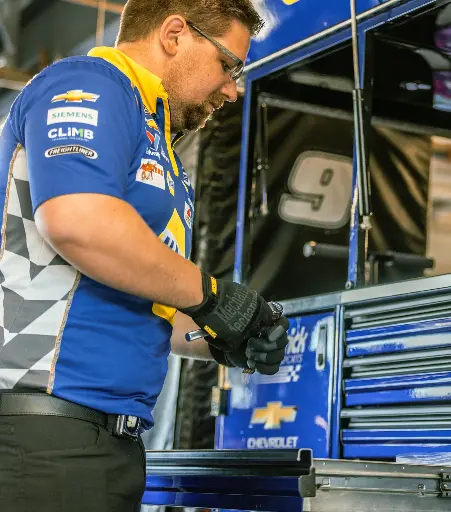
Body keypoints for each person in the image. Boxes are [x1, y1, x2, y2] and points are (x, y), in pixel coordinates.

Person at [0, 0, 289, 510]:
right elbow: (77, 221)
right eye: (228, 65)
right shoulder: (90, 84)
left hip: (106, 443)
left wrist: (223, 337)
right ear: (174, 34)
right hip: (43, 429)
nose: (232, 89)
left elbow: (152, 302)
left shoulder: (161, 147)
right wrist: (212, 296)